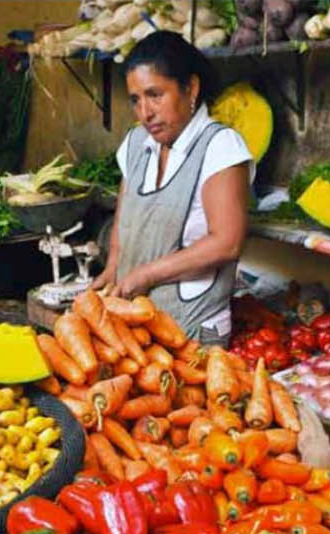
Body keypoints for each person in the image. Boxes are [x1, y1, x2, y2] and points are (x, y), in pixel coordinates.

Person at [91, 31, 252, 344]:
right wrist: (112, 269)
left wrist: (146, 274)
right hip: (136, 327)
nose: (145, 112)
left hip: (193, 328)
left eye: (155, 95)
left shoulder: (219, 146)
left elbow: (227, 242)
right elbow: (124, 225)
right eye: (136, 100)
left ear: (190, 88)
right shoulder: (136, 144)